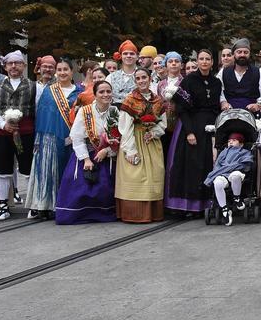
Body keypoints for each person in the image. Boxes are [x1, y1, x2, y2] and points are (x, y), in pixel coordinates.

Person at [0, 51, 38, 221]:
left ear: (24, 66)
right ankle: (3, 206)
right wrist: (1, 123)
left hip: (26, 133)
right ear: (5, 66)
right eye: (10, 63)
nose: (14, 66)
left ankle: (32, 205)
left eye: (17, 63)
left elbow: (39, 110)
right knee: (2, 170)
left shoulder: (35, 86)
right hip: (3, 134)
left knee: (28, 170)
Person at [56, 80, 119, 224]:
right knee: (80, 187)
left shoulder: (115, 111)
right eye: (101, 92)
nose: (105, 94)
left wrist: (107, 150)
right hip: (87, 153)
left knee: (105, 187)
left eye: (108, 91)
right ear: (95, 95)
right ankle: (78, 215)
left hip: (106, 154)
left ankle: (103, 213)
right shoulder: (85, 111)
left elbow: (118, 136)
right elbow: (76, 136)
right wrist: (86, 159)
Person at [25, 59, 81, 219]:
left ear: (72, 72)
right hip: (49, 139)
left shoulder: (79, 92)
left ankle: (67, 203)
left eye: (66, 70)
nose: (62, 73)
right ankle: (46, 205)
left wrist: (73, 135)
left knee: (68, 172)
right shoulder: (49, 91)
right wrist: (40, 140)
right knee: (49, 172)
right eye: (60, 69)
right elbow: (42, 116)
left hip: (72, 137)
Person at [167, 50, 222, 215]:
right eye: (201, 59)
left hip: (211, 125)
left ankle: (208, 204)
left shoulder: (216, 82)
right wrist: (189, 132)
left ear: (212, 62)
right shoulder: (189, 80)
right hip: (191, 125)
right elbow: (182, 109)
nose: (204, 62)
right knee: (191, 165)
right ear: (197, 61)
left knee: (208, 164)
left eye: (207, 59)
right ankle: (190, 206)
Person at [116, 68, 167, 223]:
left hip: (150, 140)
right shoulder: (130, 100)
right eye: (138, 78)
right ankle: (134, 214)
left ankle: (153, 213)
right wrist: (130, 150)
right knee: (135, 174)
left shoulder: (158, 100)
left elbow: (163, 123)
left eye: (144, 77)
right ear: (135, 81)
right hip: (134, 139)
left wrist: (154, 132)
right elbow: (125, 127)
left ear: (150, 78)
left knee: (154, 174)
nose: (141, 81)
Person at [206, 132, 252, 227]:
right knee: (217, 182)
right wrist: (222, 170)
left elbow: (246, 165)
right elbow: (217, 167)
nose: (230, 142)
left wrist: (230, 167)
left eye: (234, 140)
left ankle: (237, 198)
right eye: (229, 141)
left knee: (235, 175)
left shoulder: (245, 152)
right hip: (223, 174)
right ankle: (225, 209)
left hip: (237, 173)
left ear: (241, 144)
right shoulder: (223, 152)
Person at [221, 38, 261, 112]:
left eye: (245, 52)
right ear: (233, 54)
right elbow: (219, 92)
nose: (242, 55)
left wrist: (258, 104)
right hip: (229, 113)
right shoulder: (223, 72)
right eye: (239, 52)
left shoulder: (258, 72)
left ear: (249, 54)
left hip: (252, 114)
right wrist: (223, 102)